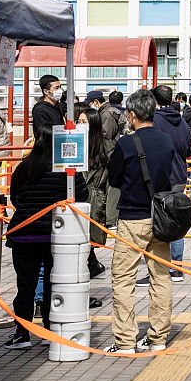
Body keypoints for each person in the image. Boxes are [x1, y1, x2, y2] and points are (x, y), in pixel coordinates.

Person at [3, 121, 89, 350]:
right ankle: (52, 330)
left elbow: (15, 198)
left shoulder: (23, 168)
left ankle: (22, 333)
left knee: (25, 286)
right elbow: (82, 194)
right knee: (54, 284)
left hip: (24, 233)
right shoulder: (66, 170)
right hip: (55, 236)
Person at [106, 89, 178, 353]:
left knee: (123, 279)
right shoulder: (166, 140)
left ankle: (125, 341)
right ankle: (158, 338)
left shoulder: (126, 143)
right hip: (160, 219)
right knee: (161, 277)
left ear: (132, 115)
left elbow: (113, 178)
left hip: (132, 218)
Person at [152, 84, 191, 281]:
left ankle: (159, 268)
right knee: (176, 222)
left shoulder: (154, 121)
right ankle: (176, 266)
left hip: (161, 177)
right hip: (180, 176)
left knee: (158, 222)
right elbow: (189, 151)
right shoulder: (183, 122)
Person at [83, 106, 114, 280]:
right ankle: (92, 266)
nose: (80, 125)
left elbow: (112, 183)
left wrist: (111, 216)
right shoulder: (75, 144)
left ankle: (92, 266)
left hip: (96, 199)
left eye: (83, 122)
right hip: (77, 198)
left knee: (89, 241)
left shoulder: (107, 148)